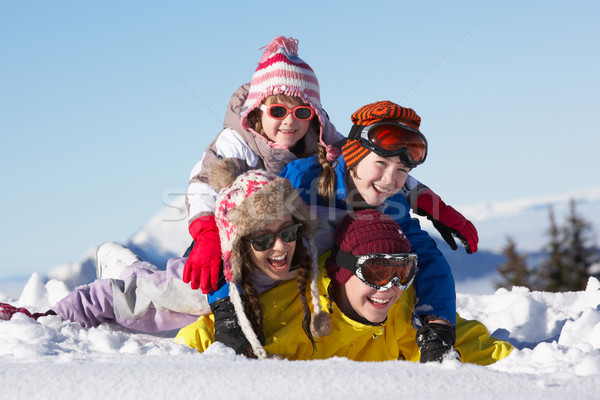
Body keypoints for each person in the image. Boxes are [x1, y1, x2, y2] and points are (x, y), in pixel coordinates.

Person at [183, 37, 478, 296]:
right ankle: (224, 309)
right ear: (258, 109)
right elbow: (203, 183)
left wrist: (431, 203)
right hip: (237, 228)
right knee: (215, 259)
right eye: (277, 111)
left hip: (289, 235)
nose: (290, 121)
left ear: (314, 114)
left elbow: (375, 166)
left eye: (301, 111)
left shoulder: (322, 138)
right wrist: (207, 233)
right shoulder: (238, 140)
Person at [0, 161, 330, 359]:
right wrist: (49, 317)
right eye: (261, 238)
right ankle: (121, 263)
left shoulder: (304, 258)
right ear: (237, 243)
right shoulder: (204, 286)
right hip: (154, 285)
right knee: (147, 285)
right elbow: (117, 297)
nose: (279, 247)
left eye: (288, 232)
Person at [176, 209, 513, 365]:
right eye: (377, 271)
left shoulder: (403, 311)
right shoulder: (285, 307)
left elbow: (479, 348)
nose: (391, 287)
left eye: (403, 271)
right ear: (340, 272)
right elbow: (192, 348)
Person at [279, 100, 463, 361]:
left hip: (360, 314)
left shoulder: (392, 203)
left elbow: (425, 256)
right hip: (292, 310)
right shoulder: (304, 180)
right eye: (381, 163)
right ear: (355, 155)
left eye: (402, 170)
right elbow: (252, 236)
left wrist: (438, 324)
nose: (390, 180)